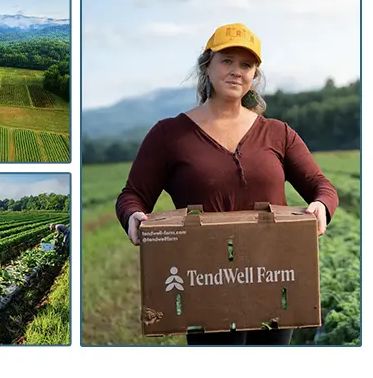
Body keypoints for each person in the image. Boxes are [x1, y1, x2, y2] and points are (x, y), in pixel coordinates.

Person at [114, 22, 339, 346]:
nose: (236, 71)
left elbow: (321, 186)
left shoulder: (278, 133)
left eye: (246, 64)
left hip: (273, 277)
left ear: (255, 75)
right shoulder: (169, 135)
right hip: (204, 283)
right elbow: (132, 196)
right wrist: (132, 216)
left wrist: (321, 207)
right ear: (207, 66)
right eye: (227, 61)